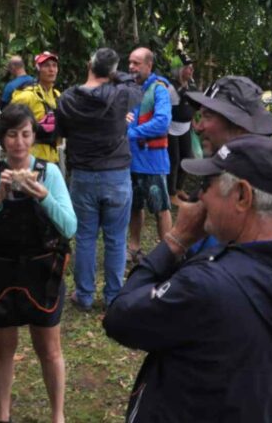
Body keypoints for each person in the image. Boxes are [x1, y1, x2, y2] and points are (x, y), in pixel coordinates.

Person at [103, 135, 272, 422]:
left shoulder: (209, 286)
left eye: (206, 185)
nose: (199, 197)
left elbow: (119, 319)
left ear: (242, 196)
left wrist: (176, 239)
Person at [0, 104, 76, 423]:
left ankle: (58, 416)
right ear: (2, 139)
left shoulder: (50, 172)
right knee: (3, 348)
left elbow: (70, 227)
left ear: (33, 137)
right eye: (12, 134)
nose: (18, 142)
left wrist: (44, 195)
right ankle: (3, 415)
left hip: (42, 272)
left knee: (49, 349)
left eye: (25, 134)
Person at [55, 48, 140, 310]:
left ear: (89, 64)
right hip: (116, 175)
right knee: (116, 238)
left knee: (85, 237)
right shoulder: (121, 95)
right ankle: (113, 295)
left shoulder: (68, 98)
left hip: (83, 175)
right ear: (113, 70)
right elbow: (134, 85)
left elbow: (60, 131)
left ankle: (84, 294)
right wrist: (116, 75)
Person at [186, 75, 272, 248]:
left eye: (208, 117)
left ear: (241, 125)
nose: (198, 127)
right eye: (199, 116)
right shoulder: (225, 171)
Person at [126, 48, 172, 262]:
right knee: (135, 206)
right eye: (130, 63)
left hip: (153, 161)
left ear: (148, 65)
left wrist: (132, 133)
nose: (132, 67)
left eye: (136, 63)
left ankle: (167, 253)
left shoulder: (159, 89)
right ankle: (134, 247)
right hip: (132, 161)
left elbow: (163, 122)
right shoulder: (129, 89)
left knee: (160, 208)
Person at [11, 52, 62, 164]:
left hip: (52, 157)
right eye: (46, 66)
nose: (51, 69)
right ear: (38, 69)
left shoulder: (57, 95)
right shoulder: (27, 96)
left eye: (54, 65)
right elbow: (11, 124)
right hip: (31, 157)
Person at [167, 57, 197, 194]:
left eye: (191, 67)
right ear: (179, 70)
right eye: (188, 67)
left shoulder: (192, 86)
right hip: (171, 128)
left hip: (186, 127)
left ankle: (179, 188)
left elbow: (193, 108)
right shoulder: (170, 88)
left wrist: (194, 123)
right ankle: (171, 192)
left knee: (187, 158)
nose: (191, 70)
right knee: (174, 160)